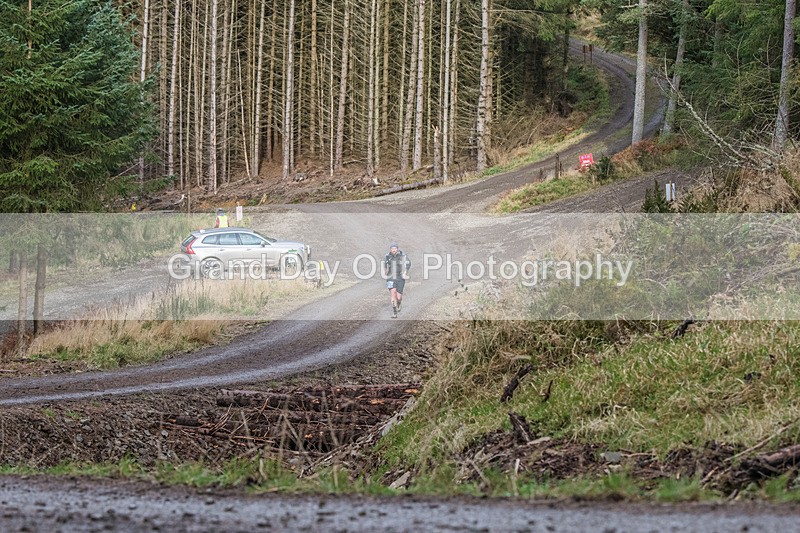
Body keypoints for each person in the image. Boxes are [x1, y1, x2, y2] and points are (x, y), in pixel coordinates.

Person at [384, 242, 411, 318]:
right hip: (390, 277)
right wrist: (385, 273)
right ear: (390, 249)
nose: (393, 250)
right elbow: (385, 266)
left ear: (397, 249)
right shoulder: (387, 256)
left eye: (395, 248)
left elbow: (408, 264)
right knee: (393, 293)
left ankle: (399, 303)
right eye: (392, 248)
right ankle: (394, 312)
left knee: (398, 297)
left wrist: (405, 272)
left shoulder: (402, 256)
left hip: (400, 277)